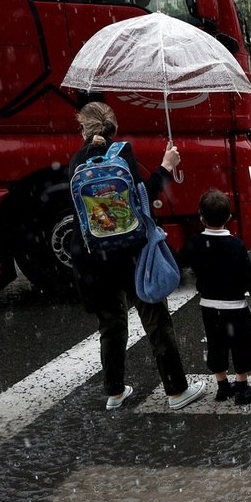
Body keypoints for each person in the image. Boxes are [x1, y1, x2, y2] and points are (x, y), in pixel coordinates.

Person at [68, 102, 205, 411]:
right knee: (156, 322)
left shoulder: (75, 162)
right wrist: (166, 167)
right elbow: (144, 196)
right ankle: (176, 391)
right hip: (132, 254)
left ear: (83, 129)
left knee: (111, 328)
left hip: (94, 257)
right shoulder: (122, 154)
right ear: (113, 127)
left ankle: (115, 392)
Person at [177, 188, 251, 406]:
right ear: (229, 217)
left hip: (209, 307)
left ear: (201, 218)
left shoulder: (195, 242)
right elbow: (249, 277)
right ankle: (242, 388)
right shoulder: (236, 245)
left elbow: (178, 262)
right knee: (241, 347)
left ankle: (223, 387)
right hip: (236, 308)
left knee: (216, 346)